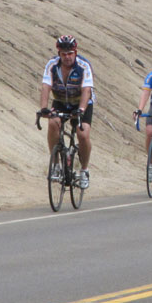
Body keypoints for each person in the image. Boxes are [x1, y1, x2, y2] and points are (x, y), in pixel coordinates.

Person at [38, 35, 94, 189]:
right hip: (61, 101)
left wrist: (81, 110)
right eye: (64, 54)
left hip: (82, 102)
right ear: (59, 54)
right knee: (53, 123)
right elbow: (45, 87)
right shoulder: (52, 65)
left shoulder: (84, 66)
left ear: (75, 52)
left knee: (82, 134)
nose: (67, 57)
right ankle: (56, 164)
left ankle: (84, 170)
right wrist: (43, 108)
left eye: (70, 53)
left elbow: (87, 90)